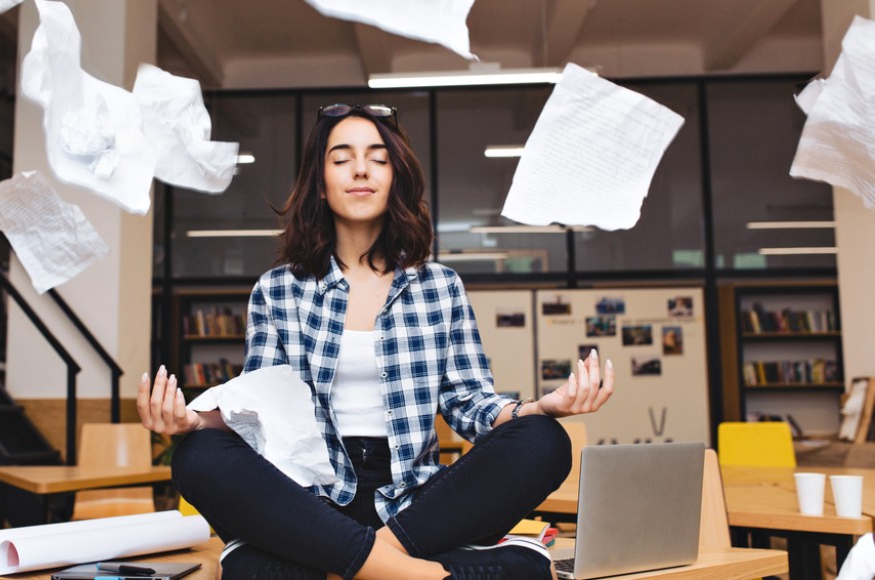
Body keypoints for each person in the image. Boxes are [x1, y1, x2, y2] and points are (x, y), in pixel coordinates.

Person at [138, 103, 614, 579]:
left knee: (544, 441)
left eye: (378, 158)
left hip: (416, 508)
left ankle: (361, 561)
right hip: (311, 500)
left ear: (395, 179)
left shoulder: (439, 286)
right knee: (197, 458)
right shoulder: (278, 289)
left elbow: (470, 405)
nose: (361, 169)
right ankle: (427, 575)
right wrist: (192, 423)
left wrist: (540, 409)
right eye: (342, 158)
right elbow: (262, 416)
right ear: (320, 185)